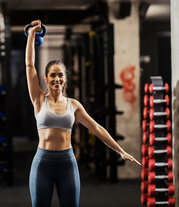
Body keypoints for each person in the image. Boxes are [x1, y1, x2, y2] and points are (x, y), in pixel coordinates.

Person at [25, 20, 140, 207]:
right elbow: (30, 66)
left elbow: (96, 127)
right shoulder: (39, 100)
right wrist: (31, 34)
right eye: (52, 75)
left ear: (65, 78)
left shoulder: (74, 105)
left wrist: (120, 150)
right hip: (42, 164)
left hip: (67, 164)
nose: (57, 79)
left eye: (61, 75)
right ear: (45, 78)